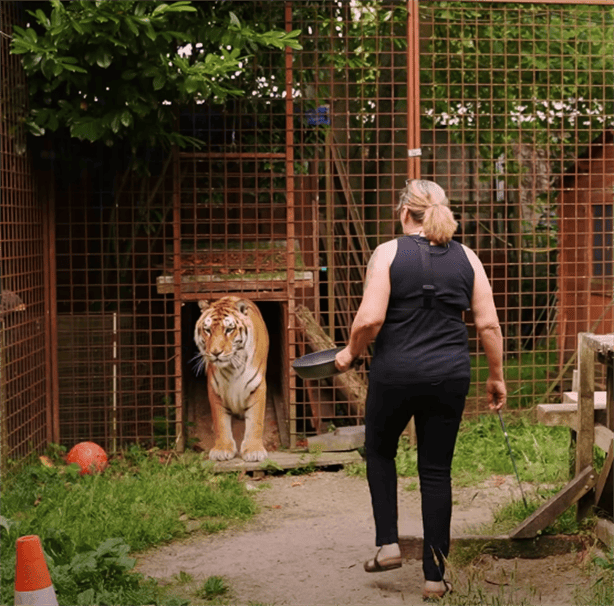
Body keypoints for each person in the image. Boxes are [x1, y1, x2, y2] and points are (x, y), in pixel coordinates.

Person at [335, 179, 506, 600]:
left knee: (379, 449)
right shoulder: (467, 257)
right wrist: (496, 376)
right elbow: (487, 324)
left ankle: (389, 543)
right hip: (449, 375)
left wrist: (349, 354)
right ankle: (434, 576)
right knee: (435, 471)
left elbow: (369, 320)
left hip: (395, 374)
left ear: (402, 212)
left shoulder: (389, 252)